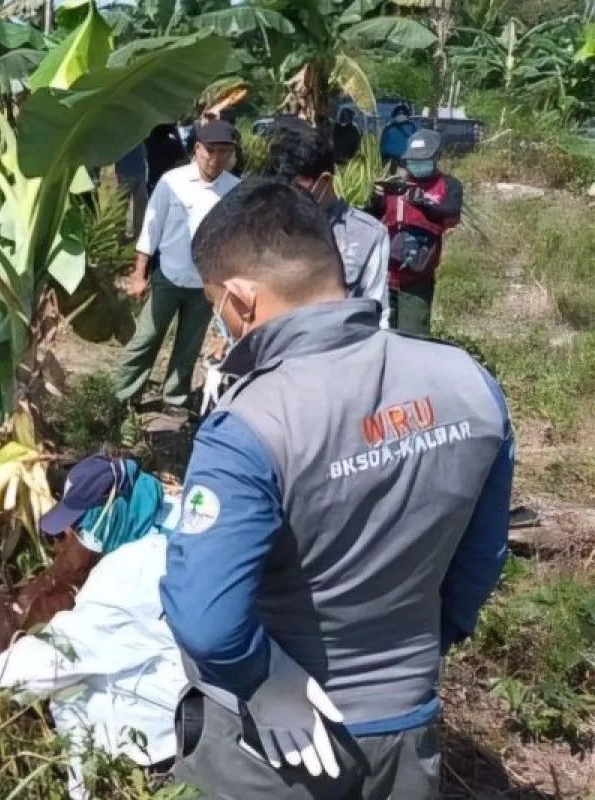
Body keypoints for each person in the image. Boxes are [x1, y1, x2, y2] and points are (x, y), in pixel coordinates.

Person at [161, 179, 511, 798]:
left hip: (273, 746)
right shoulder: (468, 383)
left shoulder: (249, 424)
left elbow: (208, 620)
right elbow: (480, 561)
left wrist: (264, 680)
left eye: (218, 306)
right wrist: (423, 648)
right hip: (407, 723)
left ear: (241, 301)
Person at [0, 455, 187, 800]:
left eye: (82, 525)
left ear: (110, 512)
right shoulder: (184, 520)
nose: (75, 535)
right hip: (199, 719)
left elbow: (42, 664)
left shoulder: (128, 573)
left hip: (151, 755)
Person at [116, 119, 240, 412]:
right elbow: (151, 227)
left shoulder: (235, 190)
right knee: (146, 339)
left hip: (205, 285)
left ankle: (175, 399)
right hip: (168, 277)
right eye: (210, 150)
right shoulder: (172, 182)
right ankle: (123, 397)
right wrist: (139, 273)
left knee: (188, 346)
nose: (216, 158)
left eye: (224, 151)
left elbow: (237, 238)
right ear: (197, 149)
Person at [267, 120, 390, 326]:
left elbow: (377, 313)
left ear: (324, 181)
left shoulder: (366, 235)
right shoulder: (266, 224)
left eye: (296, 189)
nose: (285, 199)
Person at [367, 129, 464, 336]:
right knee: (383, 336)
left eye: (423, 160)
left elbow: (451, 213)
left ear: (436, 157)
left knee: (413, 336)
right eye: (412, 161)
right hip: (384, 275)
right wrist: (374, 200)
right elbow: (373, 217)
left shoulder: (448, 185)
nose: (416, 166)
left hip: (417, 276)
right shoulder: (395, 184)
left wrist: (423, 201)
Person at [115, 143, 149, 241]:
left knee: (141, 204)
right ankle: (119, 236)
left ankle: (139, 236)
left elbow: (144, 151)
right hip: (125, 171)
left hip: (139, 170)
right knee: (122, 205)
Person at [144, 123, 187, 193]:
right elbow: (185, 159)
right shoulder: (173, 144)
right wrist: (176, 133)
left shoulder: (147, 143)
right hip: (168, 186)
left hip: (152, 185)